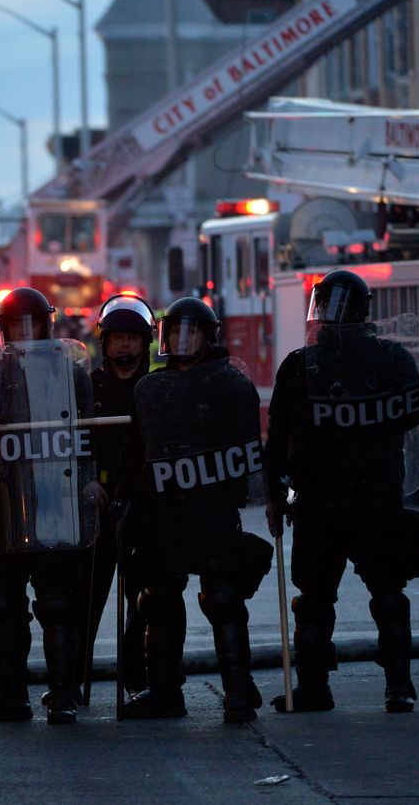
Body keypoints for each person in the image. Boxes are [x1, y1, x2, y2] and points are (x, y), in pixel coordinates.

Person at [264, 270, 419, 714]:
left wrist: (275, 491)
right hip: (337, 500)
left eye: (336, 306)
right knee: (331, 600)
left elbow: (278, 438)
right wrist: (275, 491)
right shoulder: (315, 365)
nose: (327, 316)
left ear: (358, 311)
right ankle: (379, 687)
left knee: (375, 596)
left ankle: (389, 686)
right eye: (323, 304)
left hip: (358, 500)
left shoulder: (310, 365)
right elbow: (278, 435)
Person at [0, 287, 97, 725]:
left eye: (32, 324)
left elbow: (90, 444)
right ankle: (12, 695)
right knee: (5, 606)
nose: (25, 334)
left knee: (56, 604)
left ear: (49, 325)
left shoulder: (73, 374)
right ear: (2, 329)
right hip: (2, 506)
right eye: (16, 325)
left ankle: (63, 694)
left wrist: (94, 490)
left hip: (54, 503)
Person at [116, 297, 271, 723]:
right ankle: (165, 692)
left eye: (191, 333)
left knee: (222, 597)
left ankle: (239, 690)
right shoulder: (149, 389)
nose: (181, 342)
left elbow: (248, 453)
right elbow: (138, 450)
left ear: (210, 336)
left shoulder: (231, 385)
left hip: (212, 509)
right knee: (157, 600)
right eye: (174, 333)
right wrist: (122, 497)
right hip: (161, 511)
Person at [81, 293, 160, 700]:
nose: (124, 346)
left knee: (144, 601)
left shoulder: (159, 389)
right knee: (85, 599)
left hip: (146, 507)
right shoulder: (85, 388)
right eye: (117, 338)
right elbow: (69, 440)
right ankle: (73, 679)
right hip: (96, 506)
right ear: (104, 343)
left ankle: (138, 678)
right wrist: (85, 480)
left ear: (145, 342)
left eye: (132, 338)